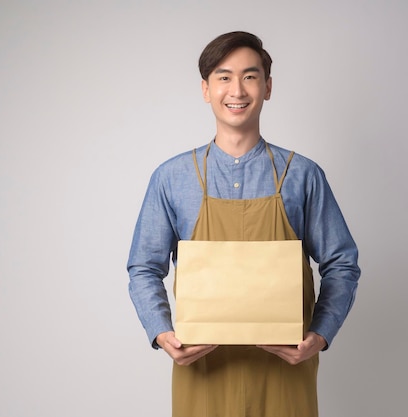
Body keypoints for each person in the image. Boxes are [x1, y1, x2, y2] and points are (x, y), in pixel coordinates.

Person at [128, 31, 361, 417]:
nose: (237, 89)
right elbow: (143, 266)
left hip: (285, 369)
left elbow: (342, 263)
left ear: (267, 87)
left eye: (250, 76)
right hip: (200, 368)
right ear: (206, 89)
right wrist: (162, 332)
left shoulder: (302, 175)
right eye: (223, 77)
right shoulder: (171, 177)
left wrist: (319, 335)